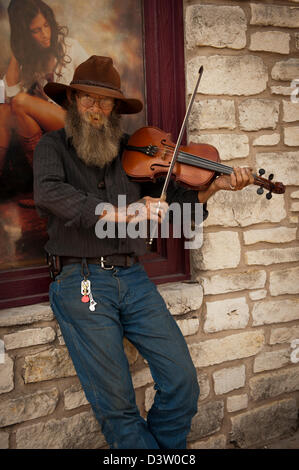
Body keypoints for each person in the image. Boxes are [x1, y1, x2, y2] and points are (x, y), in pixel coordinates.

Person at [33, 55, 254, 449]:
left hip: (132, 278)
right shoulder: (52, 147)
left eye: (105, 102)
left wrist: (213, 189)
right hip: (81, 282)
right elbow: (50, 194)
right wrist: (121, 213)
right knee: (117, 407)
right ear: (72, 100)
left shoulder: (133, 151)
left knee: (182, 381)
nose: (96, 109)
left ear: (116, 108)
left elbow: (177, 213)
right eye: (87, 98)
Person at [0, 0, 88, 184]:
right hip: (50, 133)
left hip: (80, 127)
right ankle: (43, 185)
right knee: (4, 111)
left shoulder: (70, 47)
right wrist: (17, 54)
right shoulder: (28, 61)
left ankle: (44, 185)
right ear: (25, 35)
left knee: (21, 102)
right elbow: (9, 96)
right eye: (36, 31)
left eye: (46, 26)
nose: (45, 34)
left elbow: (96, 88)